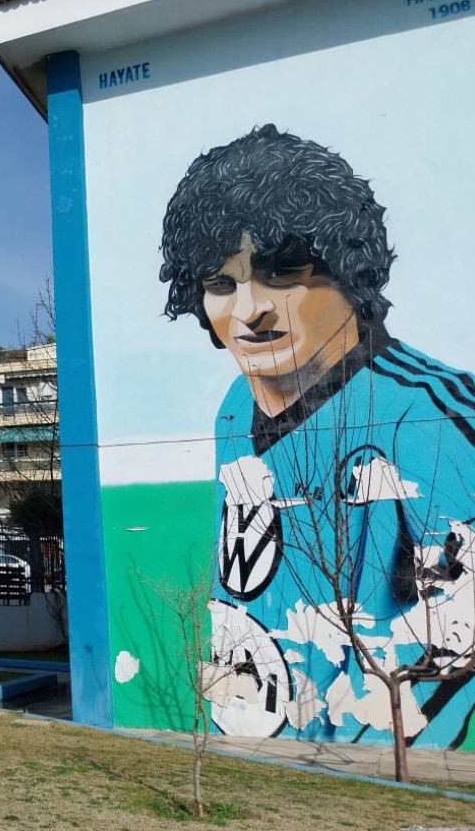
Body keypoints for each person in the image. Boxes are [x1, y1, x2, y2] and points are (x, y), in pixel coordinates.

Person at [159, 125, 475, 748]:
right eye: (222, 284)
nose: (250, 310)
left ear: (350, 268)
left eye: (284, 273)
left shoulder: (431, 414)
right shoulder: (232, 411)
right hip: (266, 756)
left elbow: (459, 654)